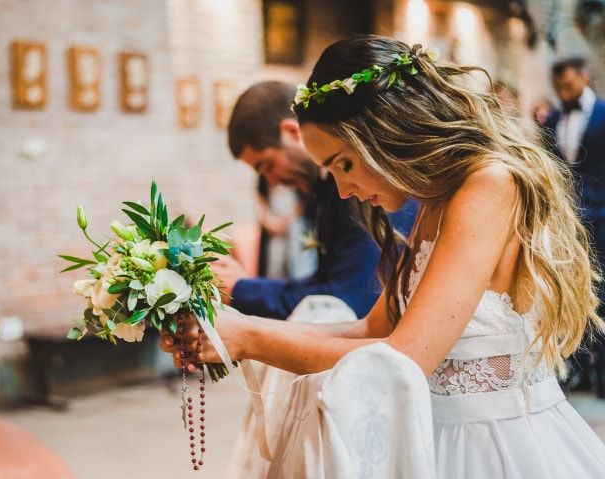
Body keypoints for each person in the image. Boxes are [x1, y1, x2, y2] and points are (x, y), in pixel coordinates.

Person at [164, 35, 605, 476]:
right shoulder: (434, 199)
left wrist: (248, 338)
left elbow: (405, 358)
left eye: (345, 164)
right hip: (430, 436)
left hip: (496, 448)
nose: (342, 191)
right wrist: (234, 330)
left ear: (388, 131)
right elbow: (370, 328)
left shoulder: (490, 185)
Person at [218, 81, 416, 319]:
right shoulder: (324, 189)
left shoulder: (361, 190)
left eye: (267, 166)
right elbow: (326, 282)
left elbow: (346, 300)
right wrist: (243, 287)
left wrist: (243, 289)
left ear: (292, 132)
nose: (271, 183)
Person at [544, 57, 605, 397]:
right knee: (574, 293)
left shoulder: (604, 113)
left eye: (568, 86)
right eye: (558, 88)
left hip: (604, 218)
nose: (563, 93)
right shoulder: (553, 119)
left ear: (584, 78)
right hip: (571, 221)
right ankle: (576, 369)